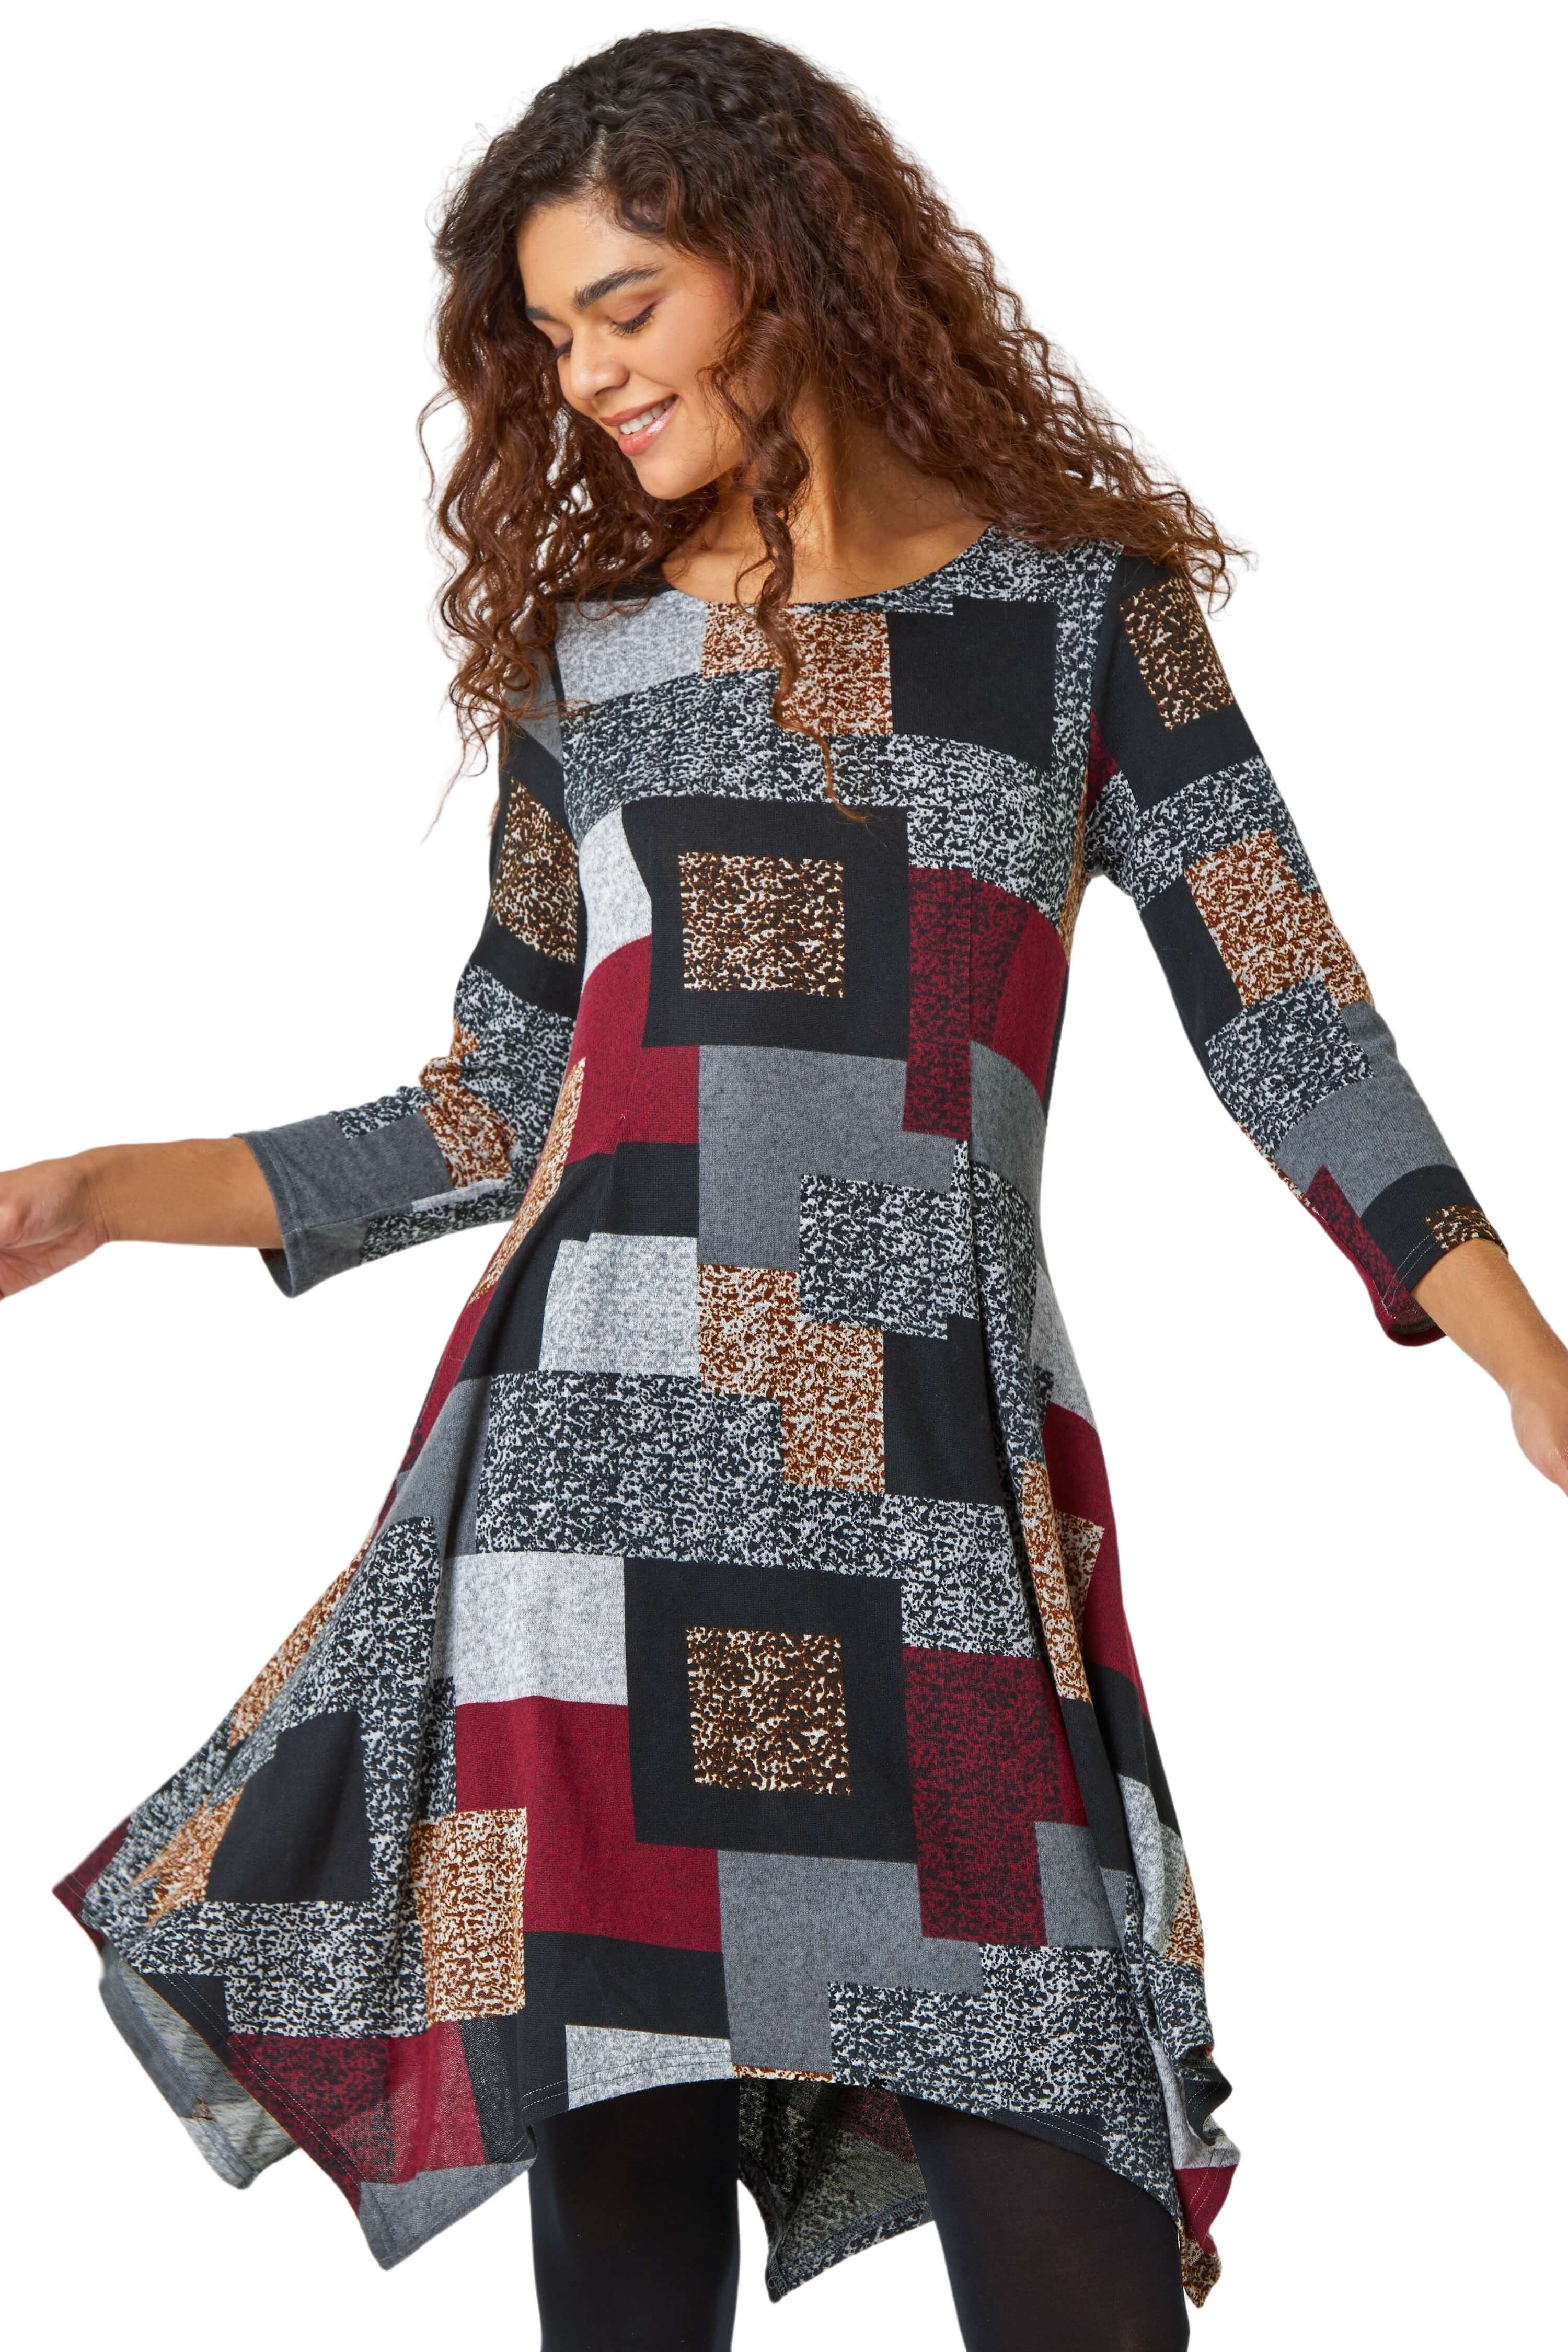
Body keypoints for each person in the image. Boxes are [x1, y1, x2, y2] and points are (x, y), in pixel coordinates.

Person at [8, 26, 1565, 2352]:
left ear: (780, 255)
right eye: (551, 338)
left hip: (925, 1501)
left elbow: (1290, 1010)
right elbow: (496, 1106)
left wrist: (1525, 1354)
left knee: (1068, 2199)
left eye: (623, 307)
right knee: (627, 2253)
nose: (586, 376)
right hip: (591, 1519)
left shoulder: (1075, 619)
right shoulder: (592, 666)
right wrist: (98, 1192)